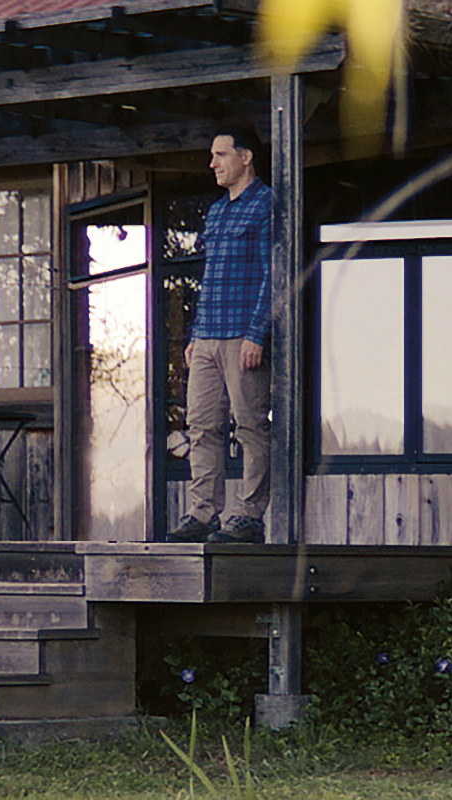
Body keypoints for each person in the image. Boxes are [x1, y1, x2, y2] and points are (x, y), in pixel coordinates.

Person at [164, 126, 272, 544]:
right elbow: (209, 278)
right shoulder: (217, 211)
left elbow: (273, 276)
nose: (213, 163)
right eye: (212, 155)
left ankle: (248, 516)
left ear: (245, 157)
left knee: (249, 427)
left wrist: (257, 333)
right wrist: (195, 334)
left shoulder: (266, 204)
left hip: (243, 338)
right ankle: (204, 514)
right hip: (207, 336)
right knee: (202, 426)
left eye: (221, 154)